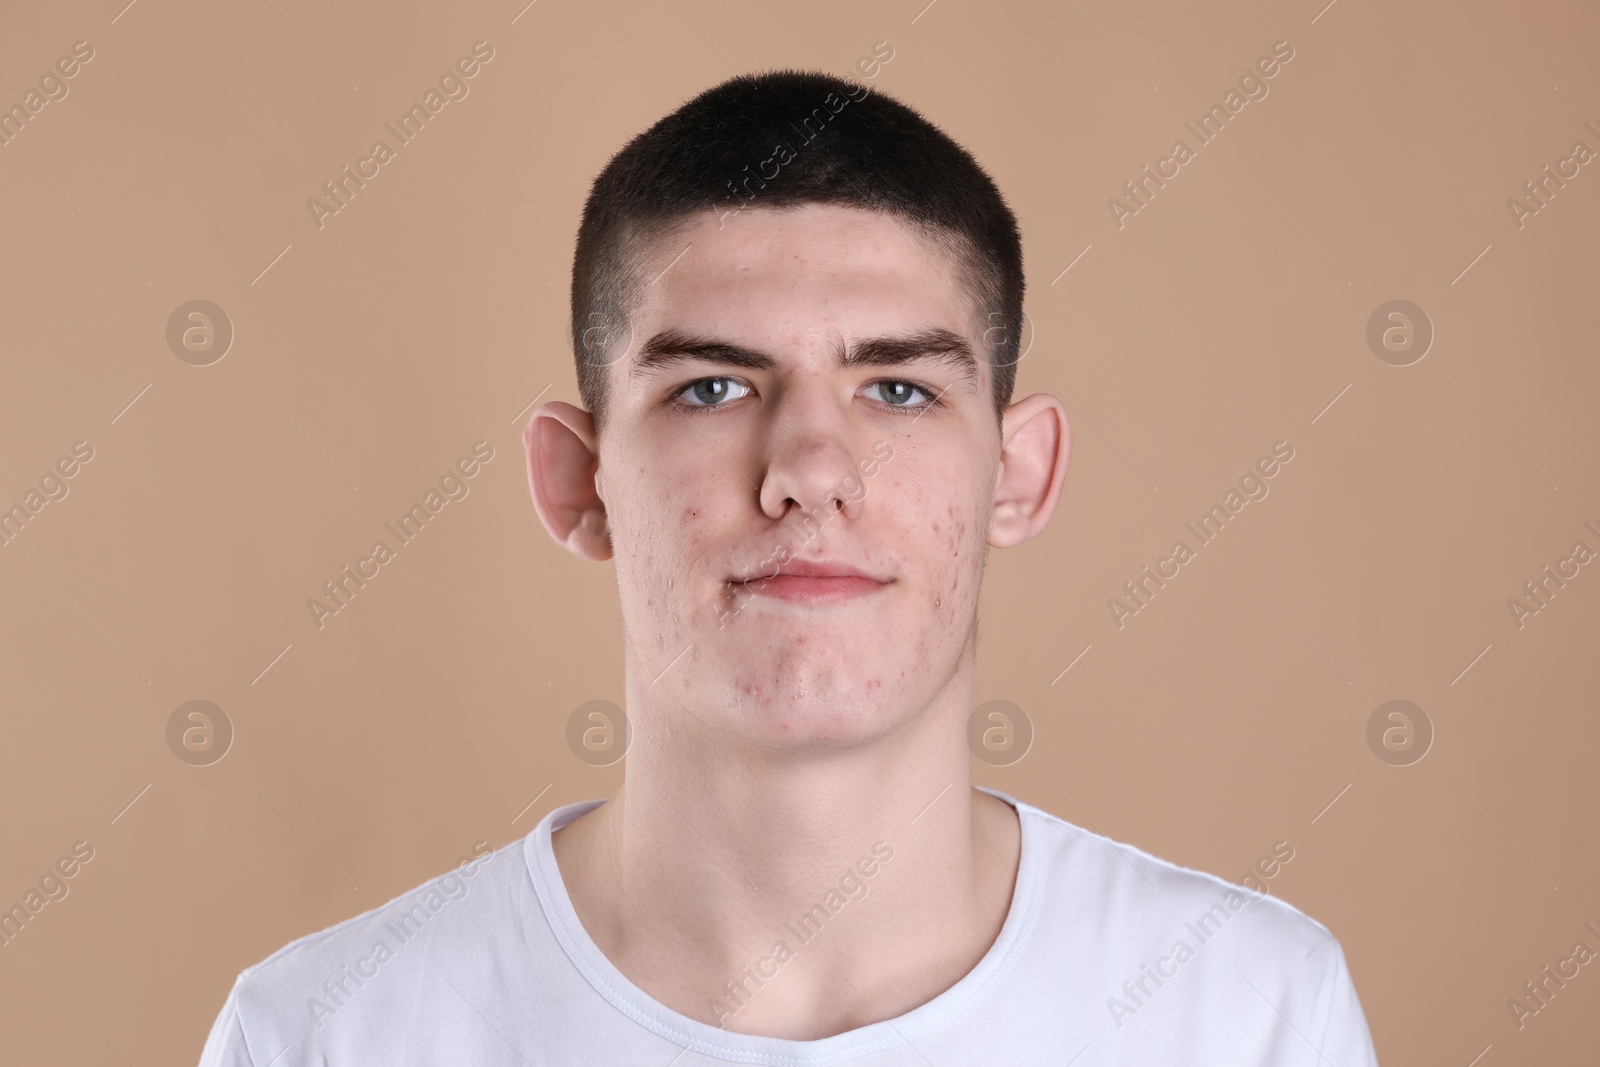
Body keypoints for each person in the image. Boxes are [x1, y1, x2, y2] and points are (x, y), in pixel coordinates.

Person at [199, 69, 1379, 1065]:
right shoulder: (325, 1031)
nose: (811, 469)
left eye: (898, 389)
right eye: (712, 387)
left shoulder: (1244, 1012)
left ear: (1016, 471)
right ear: (577, 479)